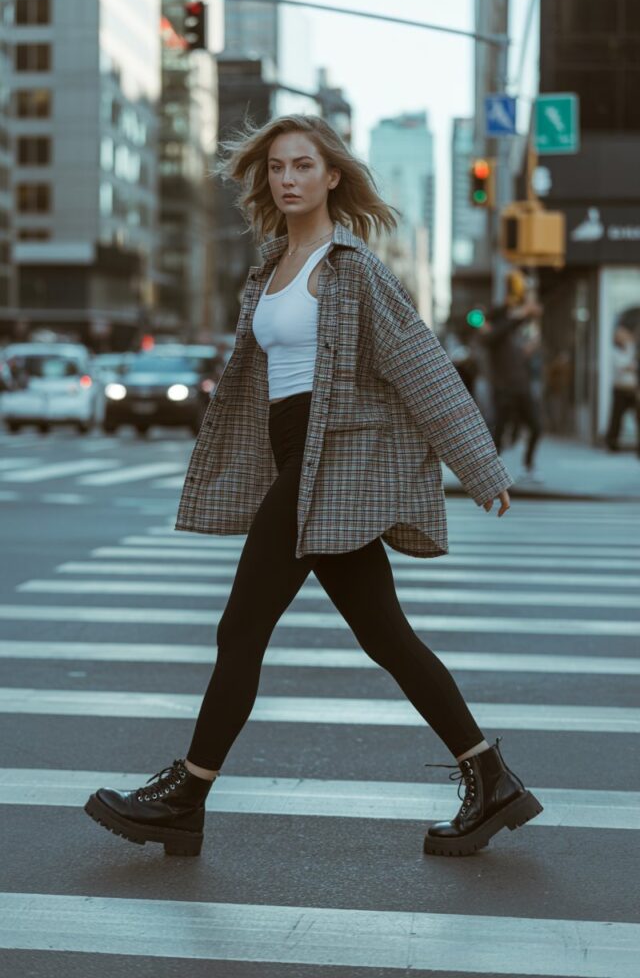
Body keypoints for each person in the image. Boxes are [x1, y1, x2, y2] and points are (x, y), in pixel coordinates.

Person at [84, 114, 543, 859]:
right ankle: (490, 777)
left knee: (242, 628)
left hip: (330, 467)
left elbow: (421, 364)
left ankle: (187, 798)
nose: (287, 178)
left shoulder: (351, 267)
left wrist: (481, 465)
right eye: (275, 168)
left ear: (333, 177)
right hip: (295, 458)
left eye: (303, 165)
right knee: (386, 635)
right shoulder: (269, 267)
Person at [483, 284, 544, 483]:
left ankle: (528, 466)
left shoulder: (512, 335)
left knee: (536, 426)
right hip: (504, 390)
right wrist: (521, 313)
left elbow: (520, 349)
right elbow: (505, 327)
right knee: (498, 432)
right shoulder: (494, 334)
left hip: (521, 388)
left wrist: (529, 349)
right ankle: (492, 472)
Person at [605, 326, 640, 455]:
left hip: (632, 389)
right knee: (616, 418)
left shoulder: (632, 348)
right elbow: (622, 367)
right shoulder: (614, 351)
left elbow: (634, 365)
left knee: (638, 417)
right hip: (620, 388)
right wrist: (630, 366)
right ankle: (612, 443)